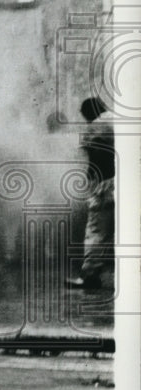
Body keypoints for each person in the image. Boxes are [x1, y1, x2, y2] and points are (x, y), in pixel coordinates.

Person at [67, 96, 115, 289]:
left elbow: (94, 159)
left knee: (96, 231)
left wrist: (90, 181)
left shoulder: (95, 127)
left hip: (105, 186)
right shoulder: (117, 119)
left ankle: (90, 276)